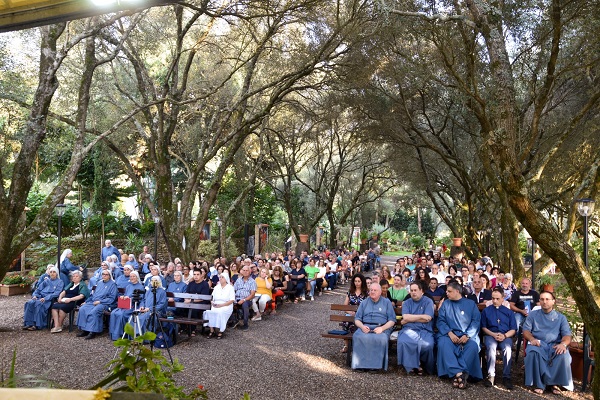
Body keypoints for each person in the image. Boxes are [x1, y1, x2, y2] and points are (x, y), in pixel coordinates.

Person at [523, 291, 573, 394]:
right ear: (539, 301)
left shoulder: (561, 317)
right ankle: (539, 384)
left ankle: (554, 384)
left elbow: (567, 335)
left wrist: (563, 344)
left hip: (555, 345)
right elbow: (526, 331)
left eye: (547, 299)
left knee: (563, 355)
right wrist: (532, 339)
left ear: (553, 301)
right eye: (542, 299)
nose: (544, 302)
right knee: (533, 353)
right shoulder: (533, 315)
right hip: (538, 344)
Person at [436, 281, 482, 389]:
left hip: (467, 335)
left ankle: (456, 375)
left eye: (449, 291)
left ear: (457, 291)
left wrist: (467, 335)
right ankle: (460, 374)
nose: (446, 293)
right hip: (449, 334)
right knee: (443, 344)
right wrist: (449, 332)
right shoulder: (446, 304)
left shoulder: (470, 304)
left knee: (473, 346)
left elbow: (476, 321)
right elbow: (441, 321)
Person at [351, 283, 397, 371]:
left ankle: (376, 366)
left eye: (375, 290)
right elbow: (357, 319)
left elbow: (392, 320)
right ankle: (360, 365)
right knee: (358, 336)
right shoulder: (364, 302)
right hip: (365, 325)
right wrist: (362, 326)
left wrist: (382, 328)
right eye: (371, 290)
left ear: (380, 292)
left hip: (381, 326)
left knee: (381, 338)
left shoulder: (386, 302)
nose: (372, 292)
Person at [480, 287, 517, 389]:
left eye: (497, 298)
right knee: (491, 348)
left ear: (502, 298)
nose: (495, 301)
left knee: (508, 349)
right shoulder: (486, 311)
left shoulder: (508, 312)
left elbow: (513, 329)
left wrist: (504, 335)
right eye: (493, 298)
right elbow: (483, 327)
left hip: (505, 335)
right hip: (491, 335)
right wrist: (493, 334)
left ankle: (506, 377)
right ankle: (491, 376)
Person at [397, 281, 435, 375]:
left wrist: (411, 318)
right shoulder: (406, 302)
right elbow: (405, 317)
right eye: (411, 290)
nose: (413, 292)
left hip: (425, 330)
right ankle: (412, 366)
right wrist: (421, 317)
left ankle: (424, 365)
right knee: (404, 341)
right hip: (409, 329)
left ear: (421, 291)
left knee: (427, 345)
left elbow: (428, 318)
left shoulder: (428, 301)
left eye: (415, 290)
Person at [76, 269, 118, 339]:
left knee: (94, 311)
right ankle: (85, 330)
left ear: (109, 276)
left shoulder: (113, 284)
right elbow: (93, 295)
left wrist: (100, 302)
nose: (104, 276)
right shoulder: (99, 283)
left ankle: (93, 331)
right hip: (93, 301)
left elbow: (112, 298)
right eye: (103, 274)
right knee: (82, 309)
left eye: (106, 274)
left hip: (105, 303)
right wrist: (86, 301)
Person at [23, 266, 64, 330]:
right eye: (51, 272)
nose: (52, 273)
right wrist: (35, 295)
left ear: (57, 273)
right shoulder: (46, 281)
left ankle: (37, 325)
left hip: (49, 299)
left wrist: (46, 298)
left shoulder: (60, 282)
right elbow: (38, 290)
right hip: (40, 297)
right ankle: (29, 323)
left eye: (54, 272)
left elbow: (56, 293)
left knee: (39, 304)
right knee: (29, 303)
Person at [108, 271, 145, 340]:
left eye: (134, 276)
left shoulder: (140, 287)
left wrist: (130, 298)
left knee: (121, 314)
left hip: (133, 306)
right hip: (125, 305)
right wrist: (123, 297)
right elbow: (126, 295)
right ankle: (114, 334)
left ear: (137, 277)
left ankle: (122, 334)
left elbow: (141, 299)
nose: (132, 278)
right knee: (113, 313)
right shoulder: (128, 286)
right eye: (131, 276)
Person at [204, 271, 235, 339]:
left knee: (220, 312)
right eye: (220, 277)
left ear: (226, 279)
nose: (220, 278)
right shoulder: (216, 287)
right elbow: (212, 298)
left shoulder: (230, 287)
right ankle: (211, 330)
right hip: (216, 304)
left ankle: (221, 330)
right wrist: (212, 302)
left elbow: (232, 300)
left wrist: (222, 305)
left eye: (222, 277)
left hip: (226, 305)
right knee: (210, 312)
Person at [185, 268, 211, 336]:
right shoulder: (191, 284)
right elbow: (187, 293)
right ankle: (183, 327)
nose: (196, 276)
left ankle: (193, 329)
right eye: (194, 274)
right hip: (190, 302)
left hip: (202, 304)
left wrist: (191, 300)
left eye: (197, 274)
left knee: (193, 310)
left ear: (201, 275)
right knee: (180, 309)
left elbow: (203, 297)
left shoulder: (205, 284)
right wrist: (186, 299)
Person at [233, 265, 257, 331]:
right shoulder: (238, 280)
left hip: (247, 299)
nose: (245, 272)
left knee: (245, 304)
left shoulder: (252, 281)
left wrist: (243, 300)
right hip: (237, 298)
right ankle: (233, 321)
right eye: (244, 270)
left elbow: (252, 295)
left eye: (247, 270)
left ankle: (245, 324)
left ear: (250, 272)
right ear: (242, 272)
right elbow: (233, 290)